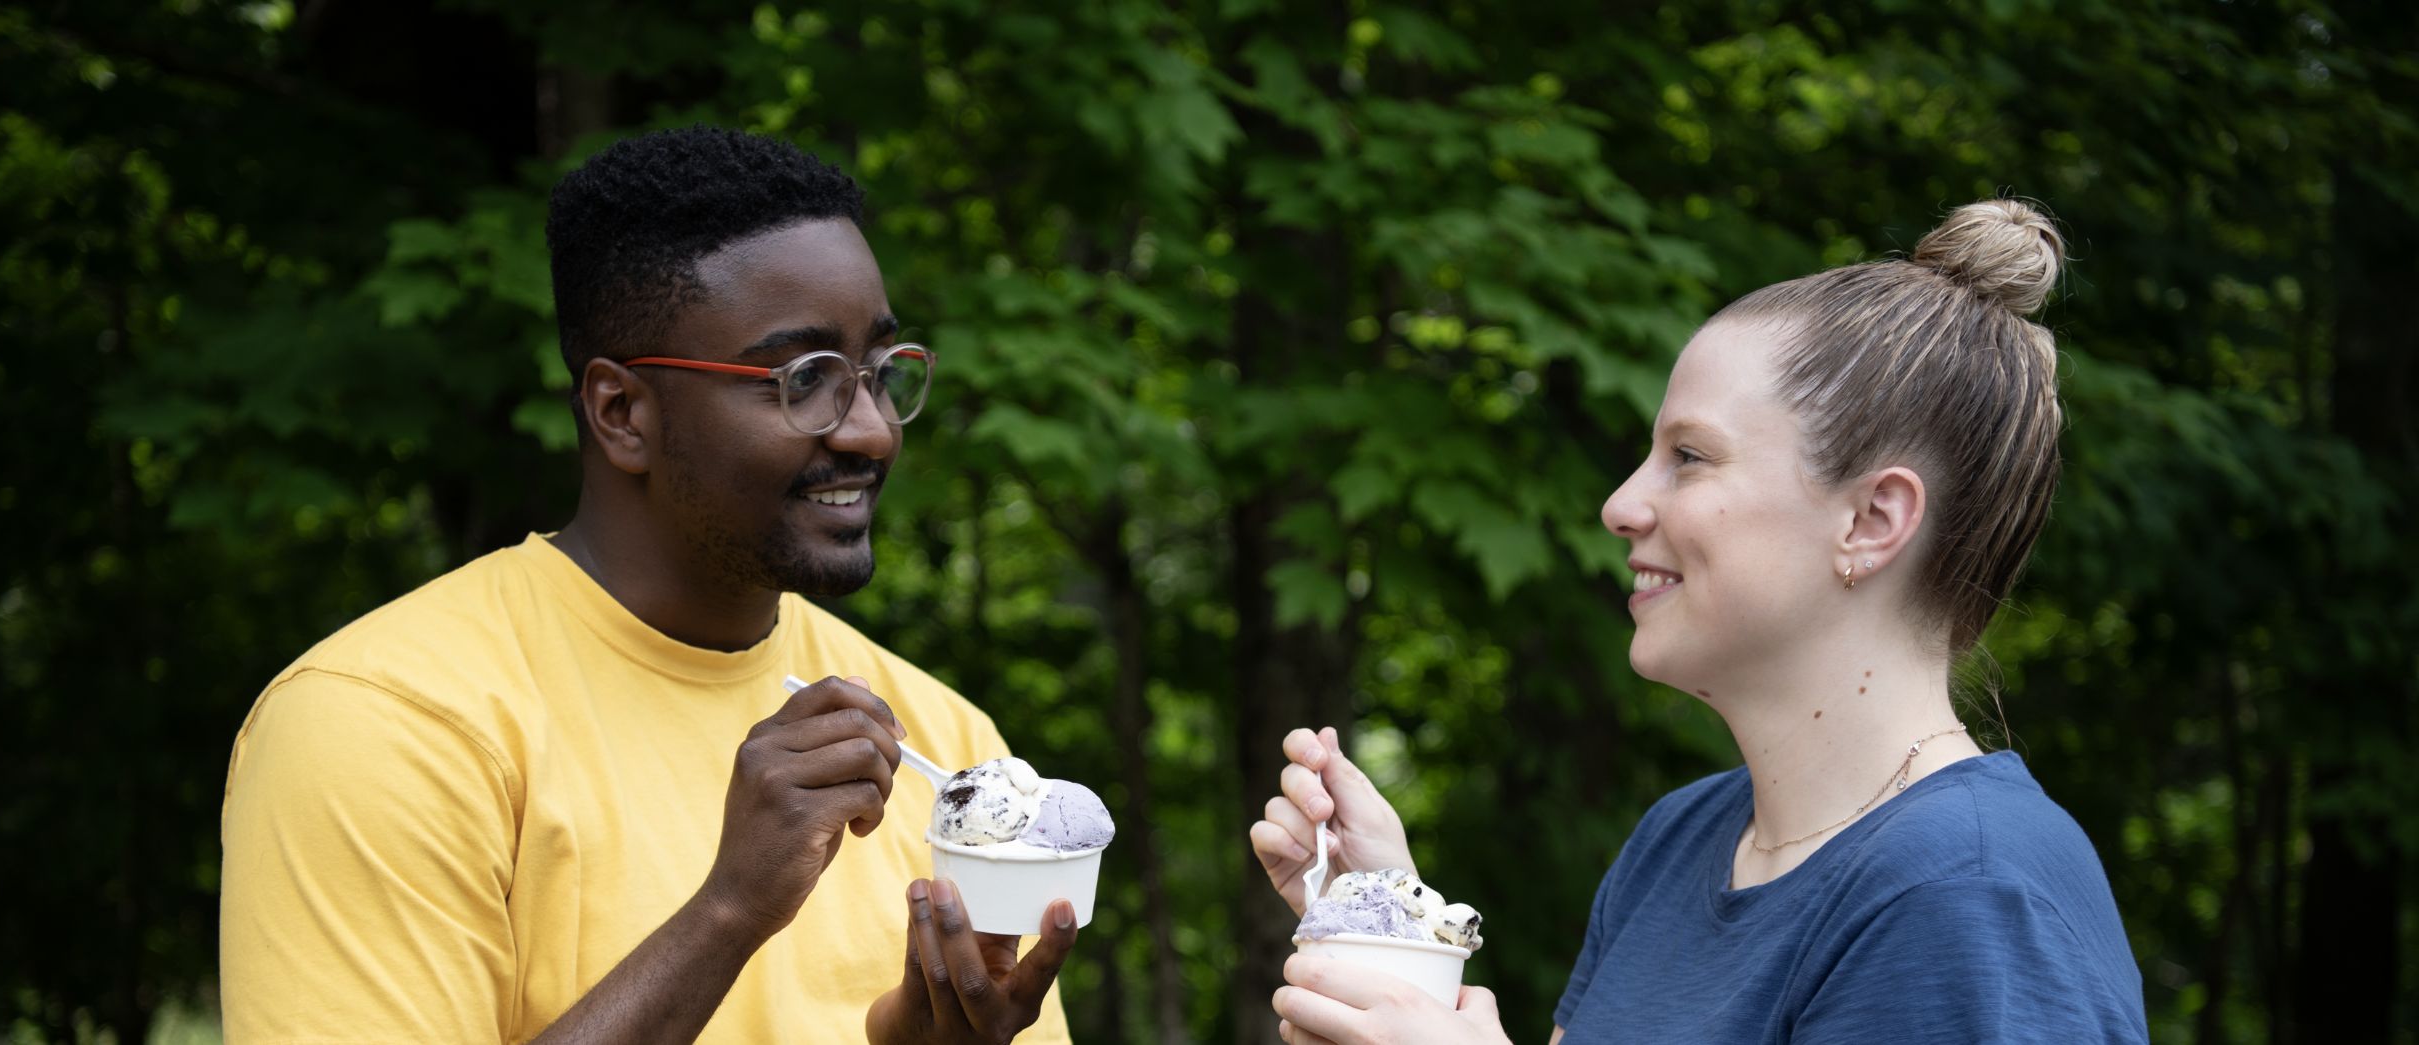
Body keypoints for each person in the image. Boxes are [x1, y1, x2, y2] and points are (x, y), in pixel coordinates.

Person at [219, 126, 1076, 1044]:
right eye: (804, 379)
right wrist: (727, 911)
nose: (870, 430)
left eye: (876, 372)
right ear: (621, 411)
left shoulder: (946, 749)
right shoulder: (385, 721)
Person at [1249, 200, 2148, 1043]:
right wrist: (1396, 929)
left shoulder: (1966, 897)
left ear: (1872, 521)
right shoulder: (1681, 842)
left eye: (1689, 456)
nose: (1621, 504)